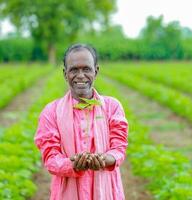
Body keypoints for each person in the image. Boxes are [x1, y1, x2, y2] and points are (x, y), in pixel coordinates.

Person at [34, 44, 128, 200]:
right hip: (67, 193)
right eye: (74, 70)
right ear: (65, 74)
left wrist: (104, 160)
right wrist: (72, 164)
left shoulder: (112, 107)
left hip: (106, 192)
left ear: (95, 71)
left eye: (86, 69)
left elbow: (119, 148)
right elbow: (50, 158)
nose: (80, 75)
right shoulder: (51, 112)